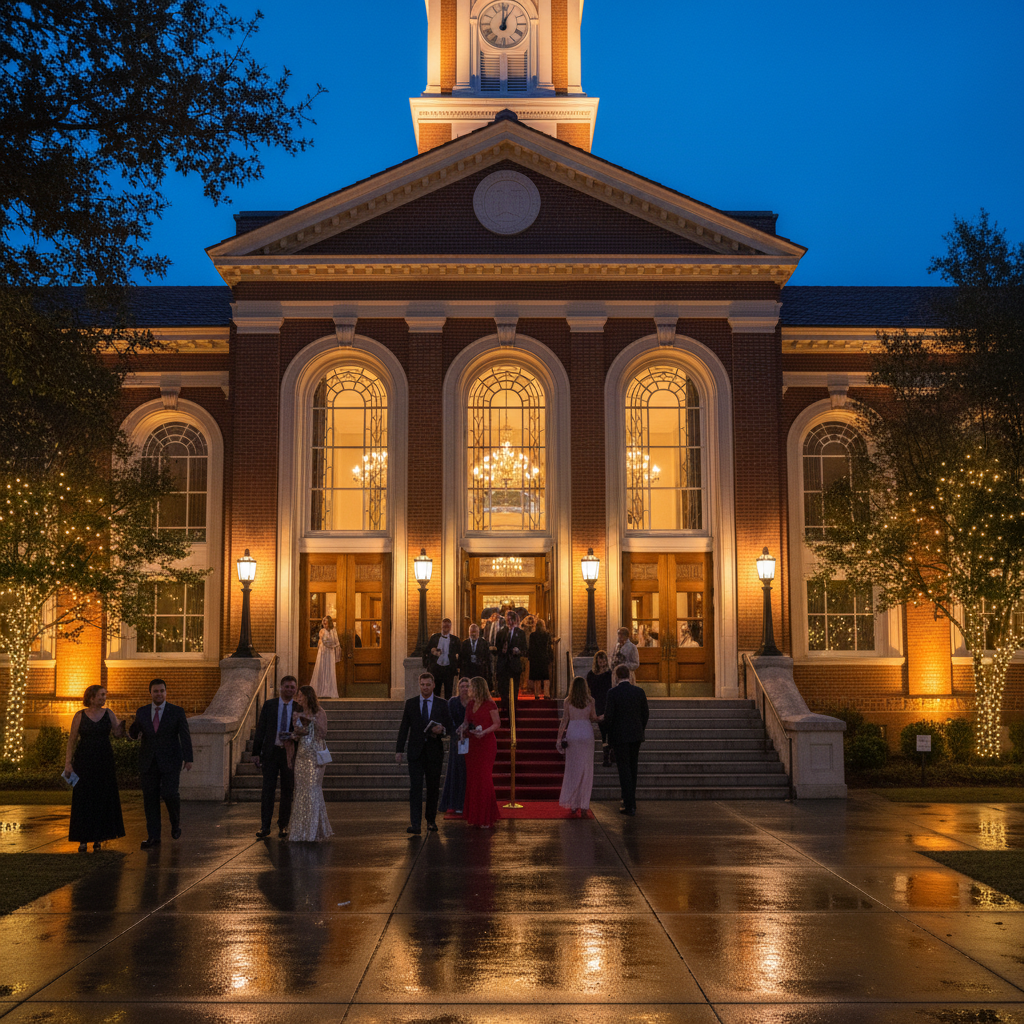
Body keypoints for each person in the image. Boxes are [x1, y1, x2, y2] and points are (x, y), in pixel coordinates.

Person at [128, 678, 193, 849]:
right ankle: (153, 837)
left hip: (171, 760)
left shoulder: (176, 711)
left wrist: (188, 758)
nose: (159, 694)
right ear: (150, 693)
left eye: (162, 691)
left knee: (170, 794)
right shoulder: (142, 712)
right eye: (156, 691)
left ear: (166, 692)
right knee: (150, 799)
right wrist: (129, 729)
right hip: (148, 761)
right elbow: (135, 732)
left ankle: (175, 823)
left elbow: (185, 735)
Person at [64, 685, 126, 852]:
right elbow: (72, 740)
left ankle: (99, 837)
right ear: (91, 697)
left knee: (102, 797)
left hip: (104, 761)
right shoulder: (80, 716)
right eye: (101, 695)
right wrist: (68, 762)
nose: (104, 698)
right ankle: (83, 838)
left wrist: (123, 727)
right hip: (84, 761)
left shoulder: (109, 713)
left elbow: (117, 734)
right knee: (84, 798)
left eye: (104, 695)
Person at [396, 672, 453, 835]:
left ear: (433, 685)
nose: (425, 687)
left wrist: (442, 730)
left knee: (433, 788)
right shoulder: (411, 703)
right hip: (415, 752)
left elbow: (449, 726)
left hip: (434, 752)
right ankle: (415, 823)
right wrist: (399, 750)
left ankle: (431, 821)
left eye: (428, 684)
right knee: (415, 788)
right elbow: (404, 728)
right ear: (419, 685)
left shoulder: (442, 704)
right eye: (422, 684)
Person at [251, 675, 298, 839]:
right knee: (267, 790)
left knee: (287, 790)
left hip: (288, 754)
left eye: (292, 687)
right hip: (271, 753)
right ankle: (265, 826)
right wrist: (256, 752)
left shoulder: (298, 708)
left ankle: (283, 825)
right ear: (281, 687)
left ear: (295, 689)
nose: (289, 689)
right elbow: (261, 729)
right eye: (287, 686)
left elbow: (302, 731)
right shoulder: (269, 705)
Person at [286, 685, 333, 843]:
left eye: (300, 695)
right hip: (302, 755)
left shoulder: (320, 712)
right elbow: (298, 734)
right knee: (301, 791)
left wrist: (311, 722)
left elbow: (323, 733)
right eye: (297, 695)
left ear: (307, 696)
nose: (298, 698)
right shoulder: (296, 713)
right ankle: (300, 830)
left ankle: (314, 831)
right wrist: (294, 735)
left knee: (313, 789)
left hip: (315, 755)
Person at [602, 664, 649, 816]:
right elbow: (645, 714)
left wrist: (607, 736)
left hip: (620, 737)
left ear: (616, 676)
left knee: (624, 770)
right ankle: (631, 801)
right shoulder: (639, 692)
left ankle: (628, 803)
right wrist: (640, 728)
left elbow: (609, 716)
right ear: (629, 675)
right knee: (633, 768)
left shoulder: (612, 693)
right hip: (635, 736)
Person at [461, 676, 501, 828]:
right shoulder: (470, 703)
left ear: (478, 687)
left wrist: (484, 732)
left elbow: (497, 723)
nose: (469, 689)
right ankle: (475, 816)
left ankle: (486, 817)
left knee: (484, 778)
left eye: (471, 686)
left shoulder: (490, 703)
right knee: (473, 779)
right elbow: (467, 722)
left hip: (486, 744)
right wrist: (462, 728)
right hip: (473, 744)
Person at [556, 676, 598, 817]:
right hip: (586, 733)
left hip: (573, 733)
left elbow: (564, 721)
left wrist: (559, 739)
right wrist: (602, 717)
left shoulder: (568, 701)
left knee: (573, 769)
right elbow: (593, 717)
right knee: (587, 770)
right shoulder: (590, 701)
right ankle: (584, 805)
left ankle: (573, 804)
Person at [440, 676, 472, 815]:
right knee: (456, 770)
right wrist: (457, 731)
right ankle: (456, 803)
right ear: (458, 688)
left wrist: (468, 729)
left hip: (472, 740)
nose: (464, 689)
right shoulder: (453, 702)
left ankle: (469, 802)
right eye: (462, 686)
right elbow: (448, 719)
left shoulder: (474, 702)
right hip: (457, 740)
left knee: (469, 771)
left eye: (467, 686)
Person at [586, 650, 615, 767]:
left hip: (607, 703)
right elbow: (589, 689)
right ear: (596, 661)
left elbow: (612, 688)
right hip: (597, 704)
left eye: (604, 661)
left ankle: (610, 752)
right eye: (600, 661)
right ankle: (606, 755)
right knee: (603, 730)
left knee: (609, 729)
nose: (602, 663)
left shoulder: (609, 674)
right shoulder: (591, 675)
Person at [493, 610, 526, 710]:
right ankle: (504, 706)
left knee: (514, 688)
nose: (509, 622)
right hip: (503, 664)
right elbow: (496, 647)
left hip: (514, 664)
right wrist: (501, 650)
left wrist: (518, 651)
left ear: (515, 620)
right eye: (507, 620)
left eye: (511, 619)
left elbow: (525, 649)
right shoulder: (501, 632)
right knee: (503, 688)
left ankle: (513, 708)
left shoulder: (520, 633)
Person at [423, 617, 460, 700]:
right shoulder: (434, 638)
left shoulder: (455, 640)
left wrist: (457, 666)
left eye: (447, 626)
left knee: (449, 692)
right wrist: (433, 653)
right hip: (436, 669)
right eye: (444, 626)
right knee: (436, 691)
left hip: (449, 669)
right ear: (441, 626)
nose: (445, 628)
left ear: (450, 627)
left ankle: (448, 707)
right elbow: (426, 650)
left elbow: (459, 654)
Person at [310, 615, 340, 698]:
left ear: (329, 622)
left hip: (330, 652)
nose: (324, 623)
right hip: (323, 652)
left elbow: (336, 642)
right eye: (323, 621)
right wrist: (321, 641)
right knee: (322, 669)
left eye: (325, 621)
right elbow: (321, 641)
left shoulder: (333, 631)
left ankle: (329, 691)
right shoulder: (322, 631)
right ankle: (320, 690)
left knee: (329, 670)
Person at [527, 618, 554, 699]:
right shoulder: (547, 635)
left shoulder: (532, 635)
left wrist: (530, 658)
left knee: (537, 678)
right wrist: (551, 657)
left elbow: (531, 648)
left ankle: (537, 694)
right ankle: (546, 694)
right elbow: (549, 647)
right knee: (546, 677)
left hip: (535, 659)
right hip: (544, 658)